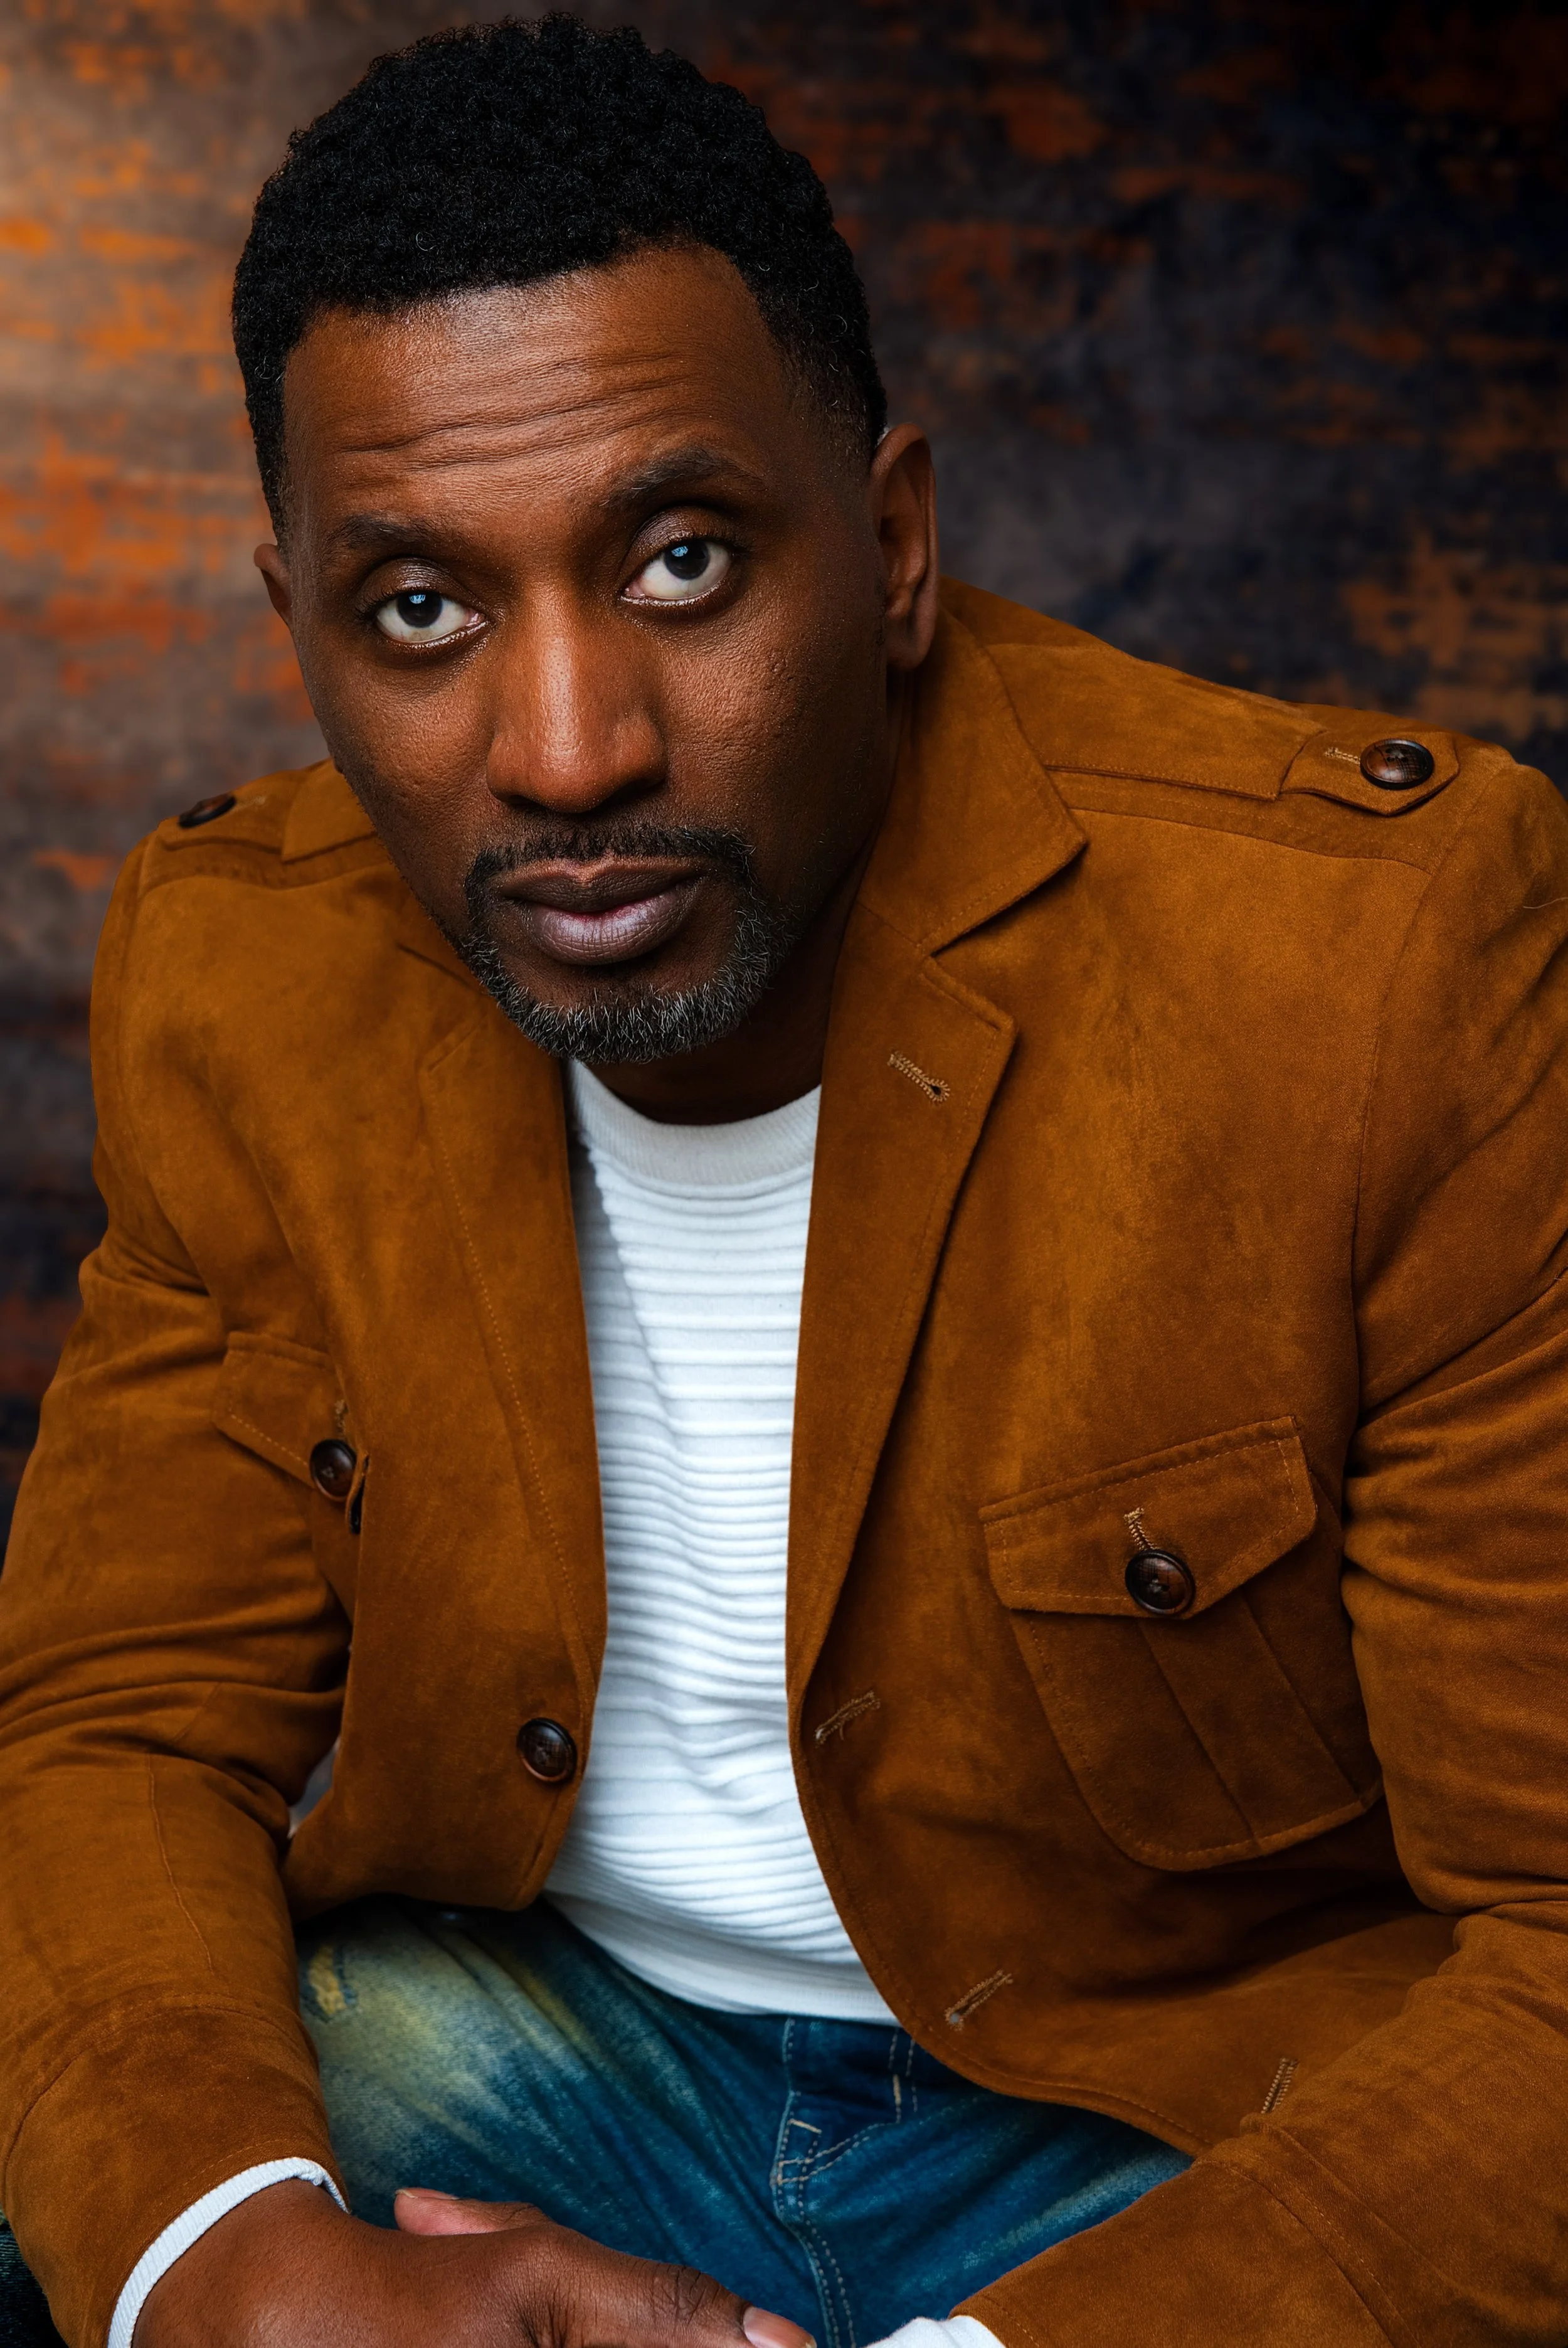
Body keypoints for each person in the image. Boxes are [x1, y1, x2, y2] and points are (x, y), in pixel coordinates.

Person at [4, 14, 1568, 2347]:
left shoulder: (1373, 963)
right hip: (557, 2050)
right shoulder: (244, 968)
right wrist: (232, 2268)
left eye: (682, 559)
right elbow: (121, 1723)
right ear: (301, 628)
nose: (565, 751)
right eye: (420, 607)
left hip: (1181, 2122)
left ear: (896, 546)